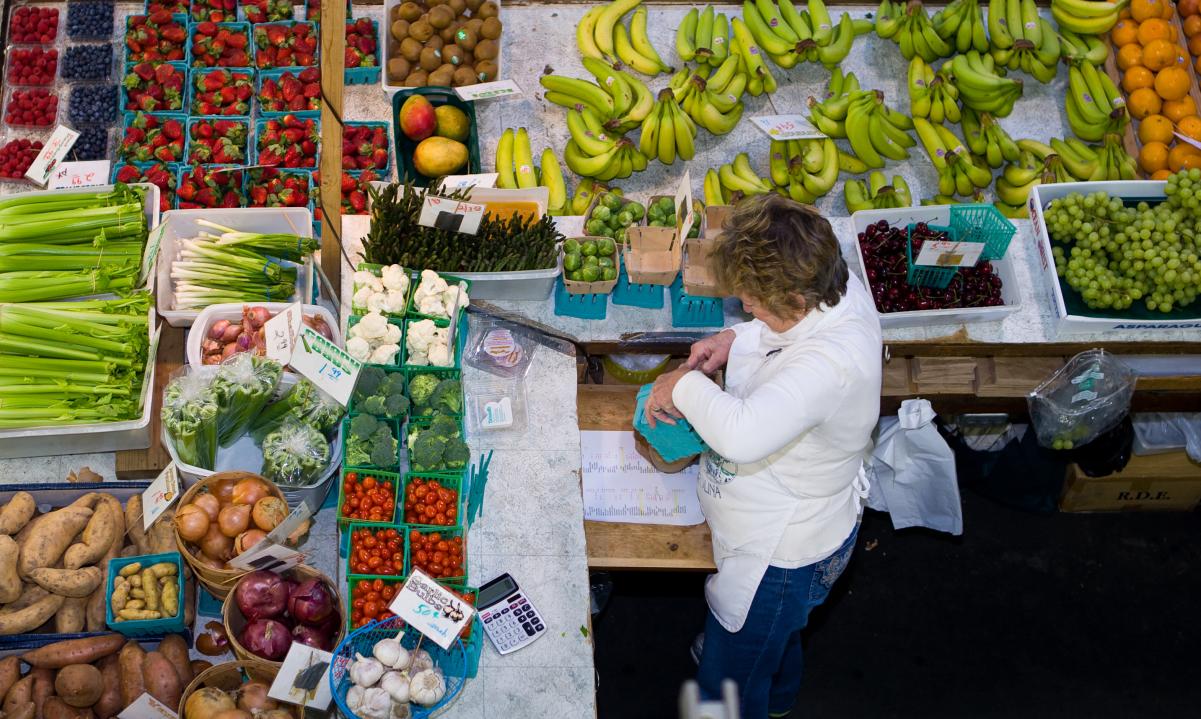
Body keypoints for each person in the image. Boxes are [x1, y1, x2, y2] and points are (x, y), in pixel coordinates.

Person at [645, 195, 883, 718]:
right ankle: (778, 697)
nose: (746, 306)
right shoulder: (836, 286)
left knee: (729, 683)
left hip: (781, 557)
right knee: (776, 643)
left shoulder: (829, 365)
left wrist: (680, 384)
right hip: (790, 527)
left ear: (795, 295)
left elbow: (742, 435)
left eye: (751, 300)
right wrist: (736, 336)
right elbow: (784, 330)